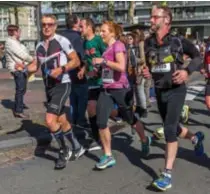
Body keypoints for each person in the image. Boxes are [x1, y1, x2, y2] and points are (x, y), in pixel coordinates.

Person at [143, 5, 205, 191]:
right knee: (174, 128)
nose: (151, 20)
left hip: (177, 90)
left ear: (166, 20)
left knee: (169, 130)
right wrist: (147, 71)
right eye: (151, 17)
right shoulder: (148, 43)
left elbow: (197, 57)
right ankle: (195, 137)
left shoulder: (178, 41)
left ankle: (167, 175)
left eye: (155, 17)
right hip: (160, 90)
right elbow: (150, 65)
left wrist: (186, 72)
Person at [16, 14, 85, 170]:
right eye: (44, 24)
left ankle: (63, 150)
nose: (46, 27)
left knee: (49, 120)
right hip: (49, 87)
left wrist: (61, 69)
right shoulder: (39, 45)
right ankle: (77, 147)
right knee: (61, 120)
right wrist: (25, 69)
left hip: (63, 84)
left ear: (55, 26)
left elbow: (76, 61)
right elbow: (36, 65)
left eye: (50, 24)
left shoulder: (62, 41)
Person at [92, 21, 151, 170]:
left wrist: (104, 61)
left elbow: (121, 66)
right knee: (101, 121)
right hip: (106, 89)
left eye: (104, 31)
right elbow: (107, 69)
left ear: (112, 33)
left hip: (120, 89)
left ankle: (144, 139)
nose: (101, 34)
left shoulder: (118, 45)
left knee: (130, 119)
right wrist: (97, 69)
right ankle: (108, 155)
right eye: (100, 31)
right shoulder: (106, 49)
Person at [80, 18, 106, 151]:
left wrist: (99, 70)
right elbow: (87, 60)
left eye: (82, 26)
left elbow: (108, 58)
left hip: (102, 81)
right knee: (91, 109)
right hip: (91, 81)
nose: (80, 29)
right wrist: (83, 70)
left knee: (99, 109)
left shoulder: (99, 41)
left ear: (89, 27)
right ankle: (97, 138)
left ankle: (128, 114)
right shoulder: (85, 43)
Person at [62, 14, 88, 128]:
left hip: (65, 71)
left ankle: (73, 119)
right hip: (77, 71)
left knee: (72, 97)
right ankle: (81, 120)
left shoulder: (61, 36)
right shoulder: (78, 38)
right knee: (81, 97)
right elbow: (81, 56)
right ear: (76, 24)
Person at [5, 24, 34, 118]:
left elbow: (25, 52)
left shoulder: (16, 42)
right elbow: (22, 55)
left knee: (22, 89)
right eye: (19, 31)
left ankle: (19, 105)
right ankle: (18, 110)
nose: (20, 33)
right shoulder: (10, 42)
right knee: (20, 89)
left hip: (21, 67)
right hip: (17, 68)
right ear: (15, 32)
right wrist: (32, 59)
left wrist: (27, 60)